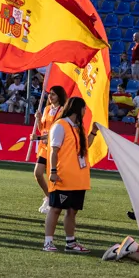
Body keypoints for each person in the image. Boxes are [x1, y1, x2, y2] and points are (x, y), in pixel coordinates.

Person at [43, 97, 99, 253]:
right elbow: (53, 150)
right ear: (77, 109)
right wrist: (53, 172)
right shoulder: (60, 126)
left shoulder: (78, 127)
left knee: (72, 210)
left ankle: (70, 242)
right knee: (55, 208)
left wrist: (93, 132)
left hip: (78, 178)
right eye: (84, 109)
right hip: (62, 176)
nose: (85, 112)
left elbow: (84, 146)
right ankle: (48, 242)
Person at [32, 85, 67, 214]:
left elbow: (57, 132)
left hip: (55, 147)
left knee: (53, 176)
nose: (50, 96)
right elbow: (43, 128)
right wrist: (38, 119)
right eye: (50, 94)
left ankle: (54, 201)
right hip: (44, 146)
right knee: (38, 173)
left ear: (59, 96)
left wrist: (39, 137)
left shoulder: (63, 111)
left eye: (53, 94)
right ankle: (49, 197)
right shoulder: (46, 109)